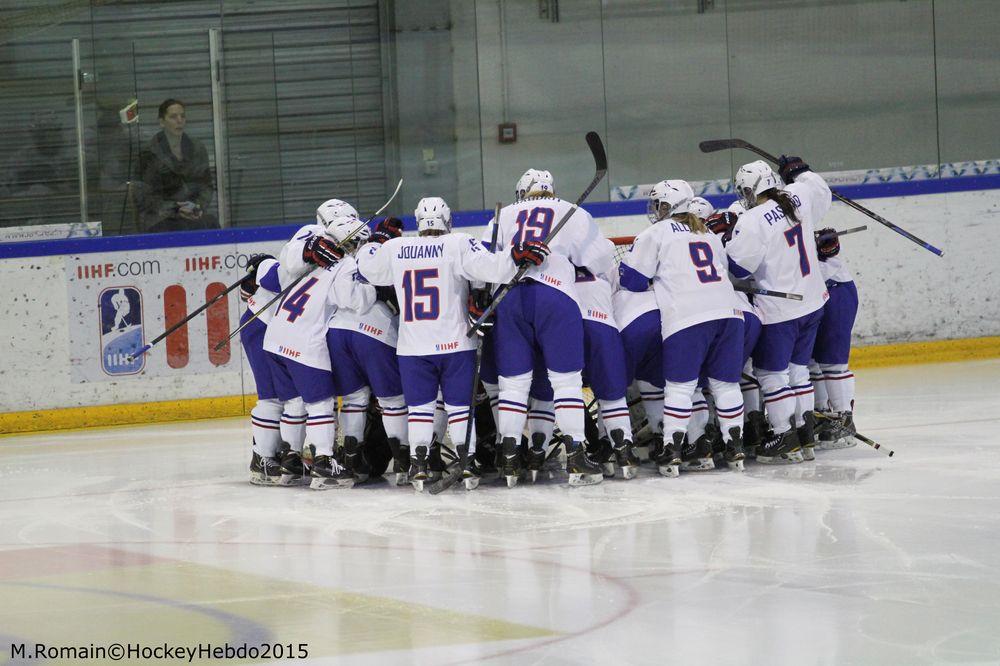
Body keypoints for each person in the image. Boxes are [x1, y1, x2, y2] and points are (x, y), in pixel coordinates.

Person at [357, 196, 538, 491]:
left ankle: (419, 466)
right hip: (455, 345)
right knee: (459, 409)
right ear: (447, 220)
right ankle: (466, 466)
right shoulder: (458, 243)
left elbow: (366, 268)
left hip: (413, 347)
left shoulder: (396, 248)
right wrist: (516, 256)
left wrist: (377, 239)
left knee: (419, 409)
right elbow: (494, 270)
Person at [484, 169, 611, 487]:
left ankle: (510, 458)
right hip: (556, 295)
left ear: (522, 191)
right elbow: (601, 260)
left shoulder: (502, 215)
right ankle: (576, 456)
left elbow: (485, 264)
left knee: (512, 386)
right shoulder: (572, 211)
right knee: (567, 383)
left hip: (510, 298)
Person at [619, 179, 745, 477]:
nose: (655, 210)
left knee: (680, 387)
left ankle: (672, 449)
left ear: (670, 206)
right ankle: (735, 446)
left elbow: (633, 281)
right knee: (726, 385)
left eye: (660, 204)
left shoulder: (656, 233)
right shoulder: (708, 233)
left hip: (688, 316)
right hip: (730, 314)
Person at [724, 157, 832, 463]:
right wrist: (799, 171)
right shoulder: (797, 196)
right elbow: (820, 189)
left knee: (772, 375)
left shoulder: (752, 219)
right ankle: (805, 432)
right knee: (799, 371)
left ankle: (784, 435)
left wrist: (727, 238)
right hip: (814, 301)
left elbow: (739, 269)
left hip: (780, 310)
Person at [261, 199, 370, 489]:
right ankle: (323, 463)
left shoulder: (315, 261)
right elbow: (353, 301)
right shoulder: (345, 264)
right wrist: (369, 282)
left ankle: (290, 462)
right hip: (305, 343)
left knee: (294, 403)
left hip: (275, 337)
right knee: (321, 404)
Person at [326, 216, 411, 484]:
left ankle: (351, 463)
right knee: (393, 402)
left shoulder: (333, 264)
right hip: (376, 331)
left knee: (353, 399)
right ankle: (404, 463)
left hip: (337, 331)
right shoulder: (379, 252)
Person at [238, 253, 308, 486]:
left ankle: (278, 452)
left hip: (276, 328)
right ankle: (262, 458)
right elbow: (254, 287)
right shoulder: (294, 257)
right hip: (262, 325)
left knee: (291, 395)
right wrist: (257, 273)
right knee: (273, 397)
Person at [809, 227, 859, 449]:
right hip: (808, 296)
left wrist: (820, 244)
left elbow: (831, 247)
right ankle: (822, 417)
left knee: (833, 363)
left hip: (835, 291)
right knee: (810, 362)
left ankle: (843, 418)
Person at [137, 99, 218, 233]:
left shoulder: (197, 148)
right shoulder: (150, 152)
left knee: (212, 225)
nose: (179, 120)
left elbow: (206, 185)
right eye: (173, 117)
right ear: (162, 122)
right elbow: (146, 194)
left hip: (193, 213)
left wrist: (197, 206)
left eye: (182, 116)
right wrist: (175, 208)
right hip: (161, 217)